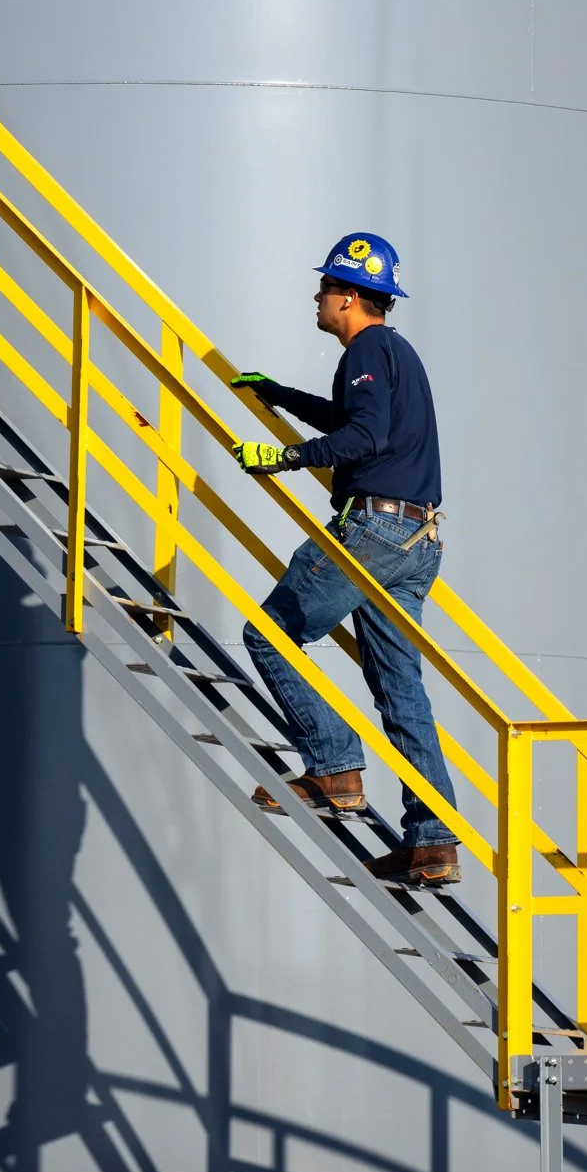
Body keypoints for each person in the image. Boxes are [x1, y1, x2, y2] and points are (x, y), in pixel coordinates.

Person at [228, 232, 460, 888]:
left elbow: (364, 435)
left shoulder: (367, 347)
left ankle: (332, 768)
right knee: (400, 694)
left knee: (267, 633)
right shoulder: (390, 352)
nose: (317, 297)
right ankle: (432, 842)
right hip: (417, 541)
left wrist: (282, 457)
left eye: (326, 288)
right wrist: (276, 394)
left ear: (350, 297)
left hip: (374, 532)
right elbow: (350, 415)